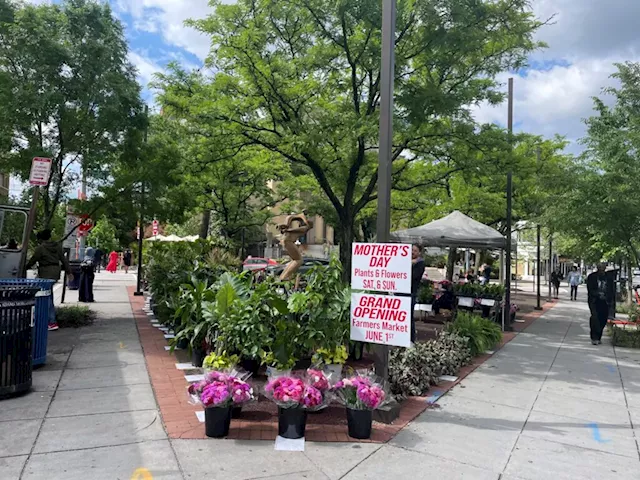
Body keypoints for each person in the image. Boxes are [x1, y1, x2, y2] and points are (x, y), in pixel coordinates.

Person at [25, 229, 72, 331]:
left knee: (47, 296)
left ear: (40, 239)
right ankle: (48, 320)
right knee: (48, 294)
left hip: (45, 272)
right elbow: (63, 260)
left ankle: (51, 321)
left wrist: (24, 268)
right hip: (55, 272)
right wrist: (69, 272)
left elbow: (33, 260)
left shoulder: (41, 248)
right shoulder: (57, 246)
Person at [587, 262, 615, 345]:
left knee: (603, 319)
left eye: (603, 268)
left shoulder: (608, 278)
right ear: (597, 268)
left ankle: (599, 336)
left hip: (605, 301)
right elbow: (590, 289)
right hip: (594, 301)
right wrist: (597, 294)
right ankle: (594, 337)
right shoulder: (592, 277)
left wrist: (610, 300)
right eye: (600, 268)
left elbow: (611, 290)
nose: (601, 270)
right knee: (595, 317)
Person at [411, 244, 425, 344]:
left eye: (415, 251)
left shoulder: (420, 264)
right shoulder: (407, 261)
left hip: (411, 293)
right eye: (412, 250)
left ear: (419, 252)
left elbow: (413, 276)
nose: (412, 252)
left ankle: (411, 339)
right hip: (401, 292)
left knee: (409, 317)